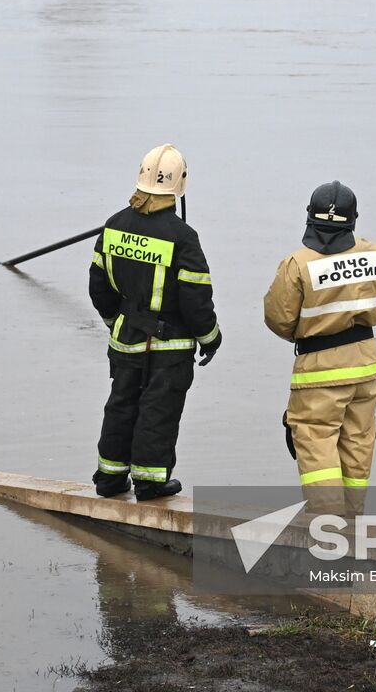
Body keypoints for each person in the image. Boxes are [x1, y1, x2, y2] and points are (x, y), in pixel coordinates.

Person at [88, 144, 222, 501]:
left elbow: (98, 285)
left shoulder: (114, 225)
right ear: (180, 185)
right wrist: (211, 338)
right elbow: (196, 300)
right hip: (170, 344)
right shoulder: (183, 237)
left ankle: (109, 478)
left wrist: (114, 320)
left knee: (121, 403)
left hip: (125, 336)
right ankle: (150, 481)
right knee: (158, 409)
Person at [263, 180, 376, 513]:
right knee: (358, 441)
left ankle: (327, 523)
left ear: (309, 217)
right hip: (366, 366)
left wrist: (307, 329)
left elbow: (278, 319)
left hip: (319, 370)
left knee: (317, 443)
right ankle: (352, 516)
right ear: (354, 218)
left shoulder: (297, 264)